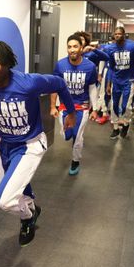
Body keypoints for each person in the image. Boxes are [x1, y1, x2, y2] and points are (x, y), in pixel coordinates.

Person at [0, 41, 76, 246]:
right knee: (21, 186)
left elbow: (59, 83)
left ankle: (28, 217)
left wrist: (71, 113)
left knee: (4, 200)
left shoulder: (28, 83)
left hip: (31, 144)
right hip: (5, 144)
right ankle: (31, 205)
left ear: (6, 63)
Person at [50, 34, 98, 175]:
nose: (72, 49)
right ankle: (71, 135)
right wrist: (53, 106)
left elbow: (92, 88)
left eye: (75, 46)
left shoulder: (90, 66)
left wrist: (94, 109)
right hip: (65, 107)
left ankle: (75, 161)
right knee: (67, 136)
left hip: (81, 107)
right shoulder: (60, 65)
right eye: (69, 47)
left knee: (77, 137)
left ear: (81, 48)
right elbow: (55, 86)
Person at [99, 26, 134, 139]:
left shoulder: (133, 46)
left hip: (130, 80)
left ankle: (126, 124)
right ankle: (115, 128)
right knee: (114, 104)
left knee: (126, 106)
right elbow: (110, 68)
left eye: (120, 34)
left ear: (124, 34)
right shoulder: (110, 48)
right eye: (116, 34)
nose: (117, 35)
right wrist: (108, 84)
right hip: (116, 80)